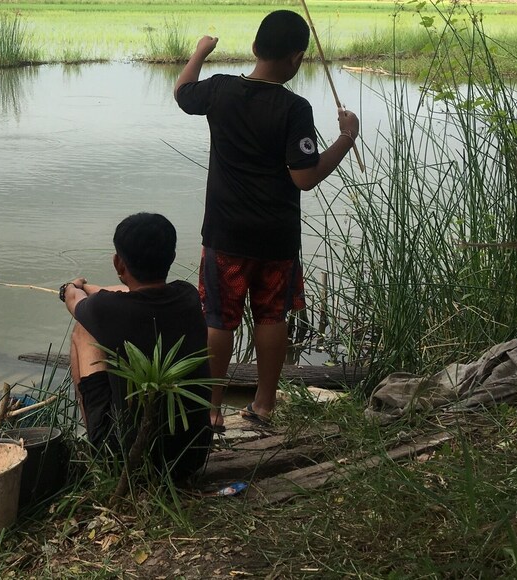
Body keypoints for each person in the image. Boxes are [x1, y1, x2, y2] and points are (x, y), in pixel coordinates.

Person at [173, 10, 361, 429]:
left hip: (225, 233)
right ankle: (263, 406)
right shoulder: (295, 107)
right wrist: (347, 138)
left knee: (218, 319)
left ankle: (212, 409)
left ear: (256, 48)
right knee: (272, 316)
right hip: (276, 238)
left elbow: (183, 91)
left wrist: (202, 51)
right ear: (296, 58)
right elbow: (305, 177)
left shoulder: (220, 90)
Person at [61, 212, 212, 480]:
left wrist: (74, 285)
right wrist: (94, 287)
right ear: (172, 257)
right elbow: (129, 294)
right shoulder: (188, 295)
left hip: (128, 462)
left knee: (83, 330)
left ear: (118, 263)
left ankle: (97, 443)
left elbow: (74, 298)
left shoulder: (103, 310)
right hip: (192, 454)